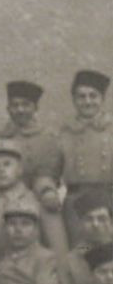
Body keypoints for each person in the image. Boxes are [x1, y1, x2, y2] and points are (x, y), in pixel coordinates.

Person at [58, 69, 113, 244]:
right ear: (74, 100)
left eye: (93, 96)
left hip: (109, 200)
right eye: (81, 97)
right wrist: (47, 190)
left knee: (108, 250)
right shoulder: (64, 133)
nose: (87, 101)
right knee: (81, 250)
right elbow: (50, 171)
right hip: (77, 204)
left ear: (102, 99)